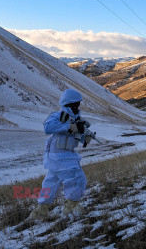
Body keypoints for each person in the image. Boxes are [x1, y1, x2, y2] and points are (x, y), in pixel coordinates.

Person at [29, 89, 91, 220]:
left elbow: (77, 135)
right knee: (77, 177)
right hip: (60, 156)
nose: (77, 107)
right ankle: (71, 207)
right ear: (68, 104)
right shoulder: (57, 116)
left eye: (78, 104)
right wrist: (68, 127)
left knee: (51, 182)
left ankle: (41, 210)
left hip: (61, 155)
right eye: (74, 104)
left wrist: (84, 136)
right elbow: (48, 128)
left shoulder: (77, 119)